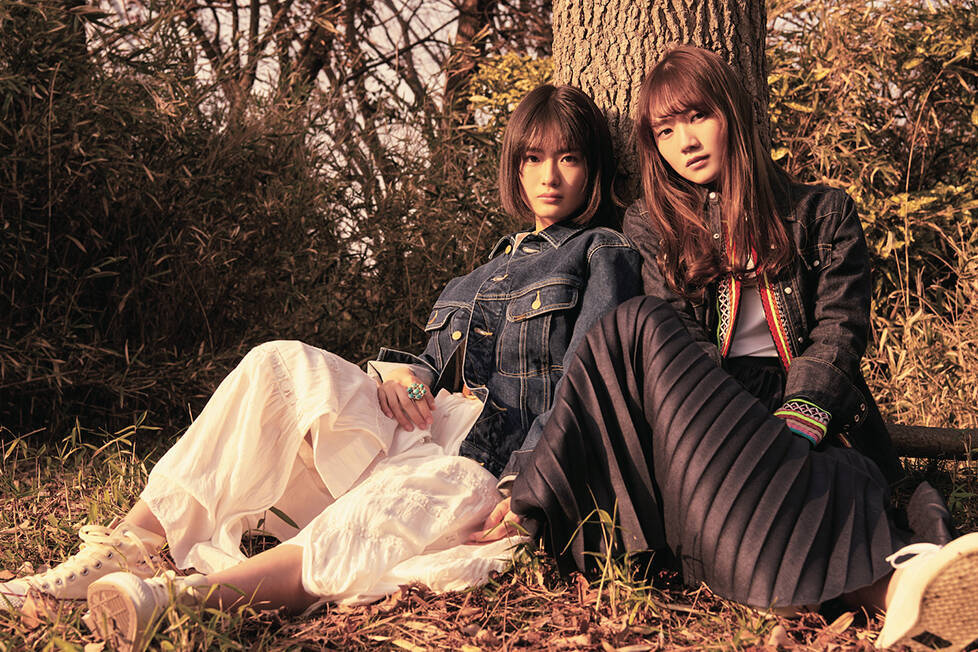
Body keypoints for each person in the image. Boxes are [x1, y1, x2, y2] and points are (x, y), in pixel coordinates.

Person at [0, 84, 643, 652]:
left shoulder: (602, 254)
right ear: (514, 166)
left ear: (593, 168)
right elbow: (433, 365)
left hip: (496, 455)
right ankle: (125, 547)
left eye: (568, 157)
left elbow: (584, 384)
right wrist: (401, 373)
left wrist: (526, 484)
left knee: (378, 516)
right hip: (428, 423)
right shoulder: (480, 273)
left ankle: (184, 601)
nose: (548, 176)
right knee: (276, 363)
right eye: (532, 157)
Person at [510, 47, 978, 651]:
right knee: (641, 323)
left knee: (830, 473)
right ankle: (885, 588)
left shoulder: (821, 211)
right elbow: (681, 341)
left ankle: (884, 595)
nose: (685, 142)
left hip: (811, 400)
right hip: (706, 406)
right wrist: (742, 424)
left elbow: (839, 330)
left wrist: (802, 413)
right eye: (665, 130)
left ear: (732, 112)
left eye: (697, 117)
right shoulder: (652, 224)